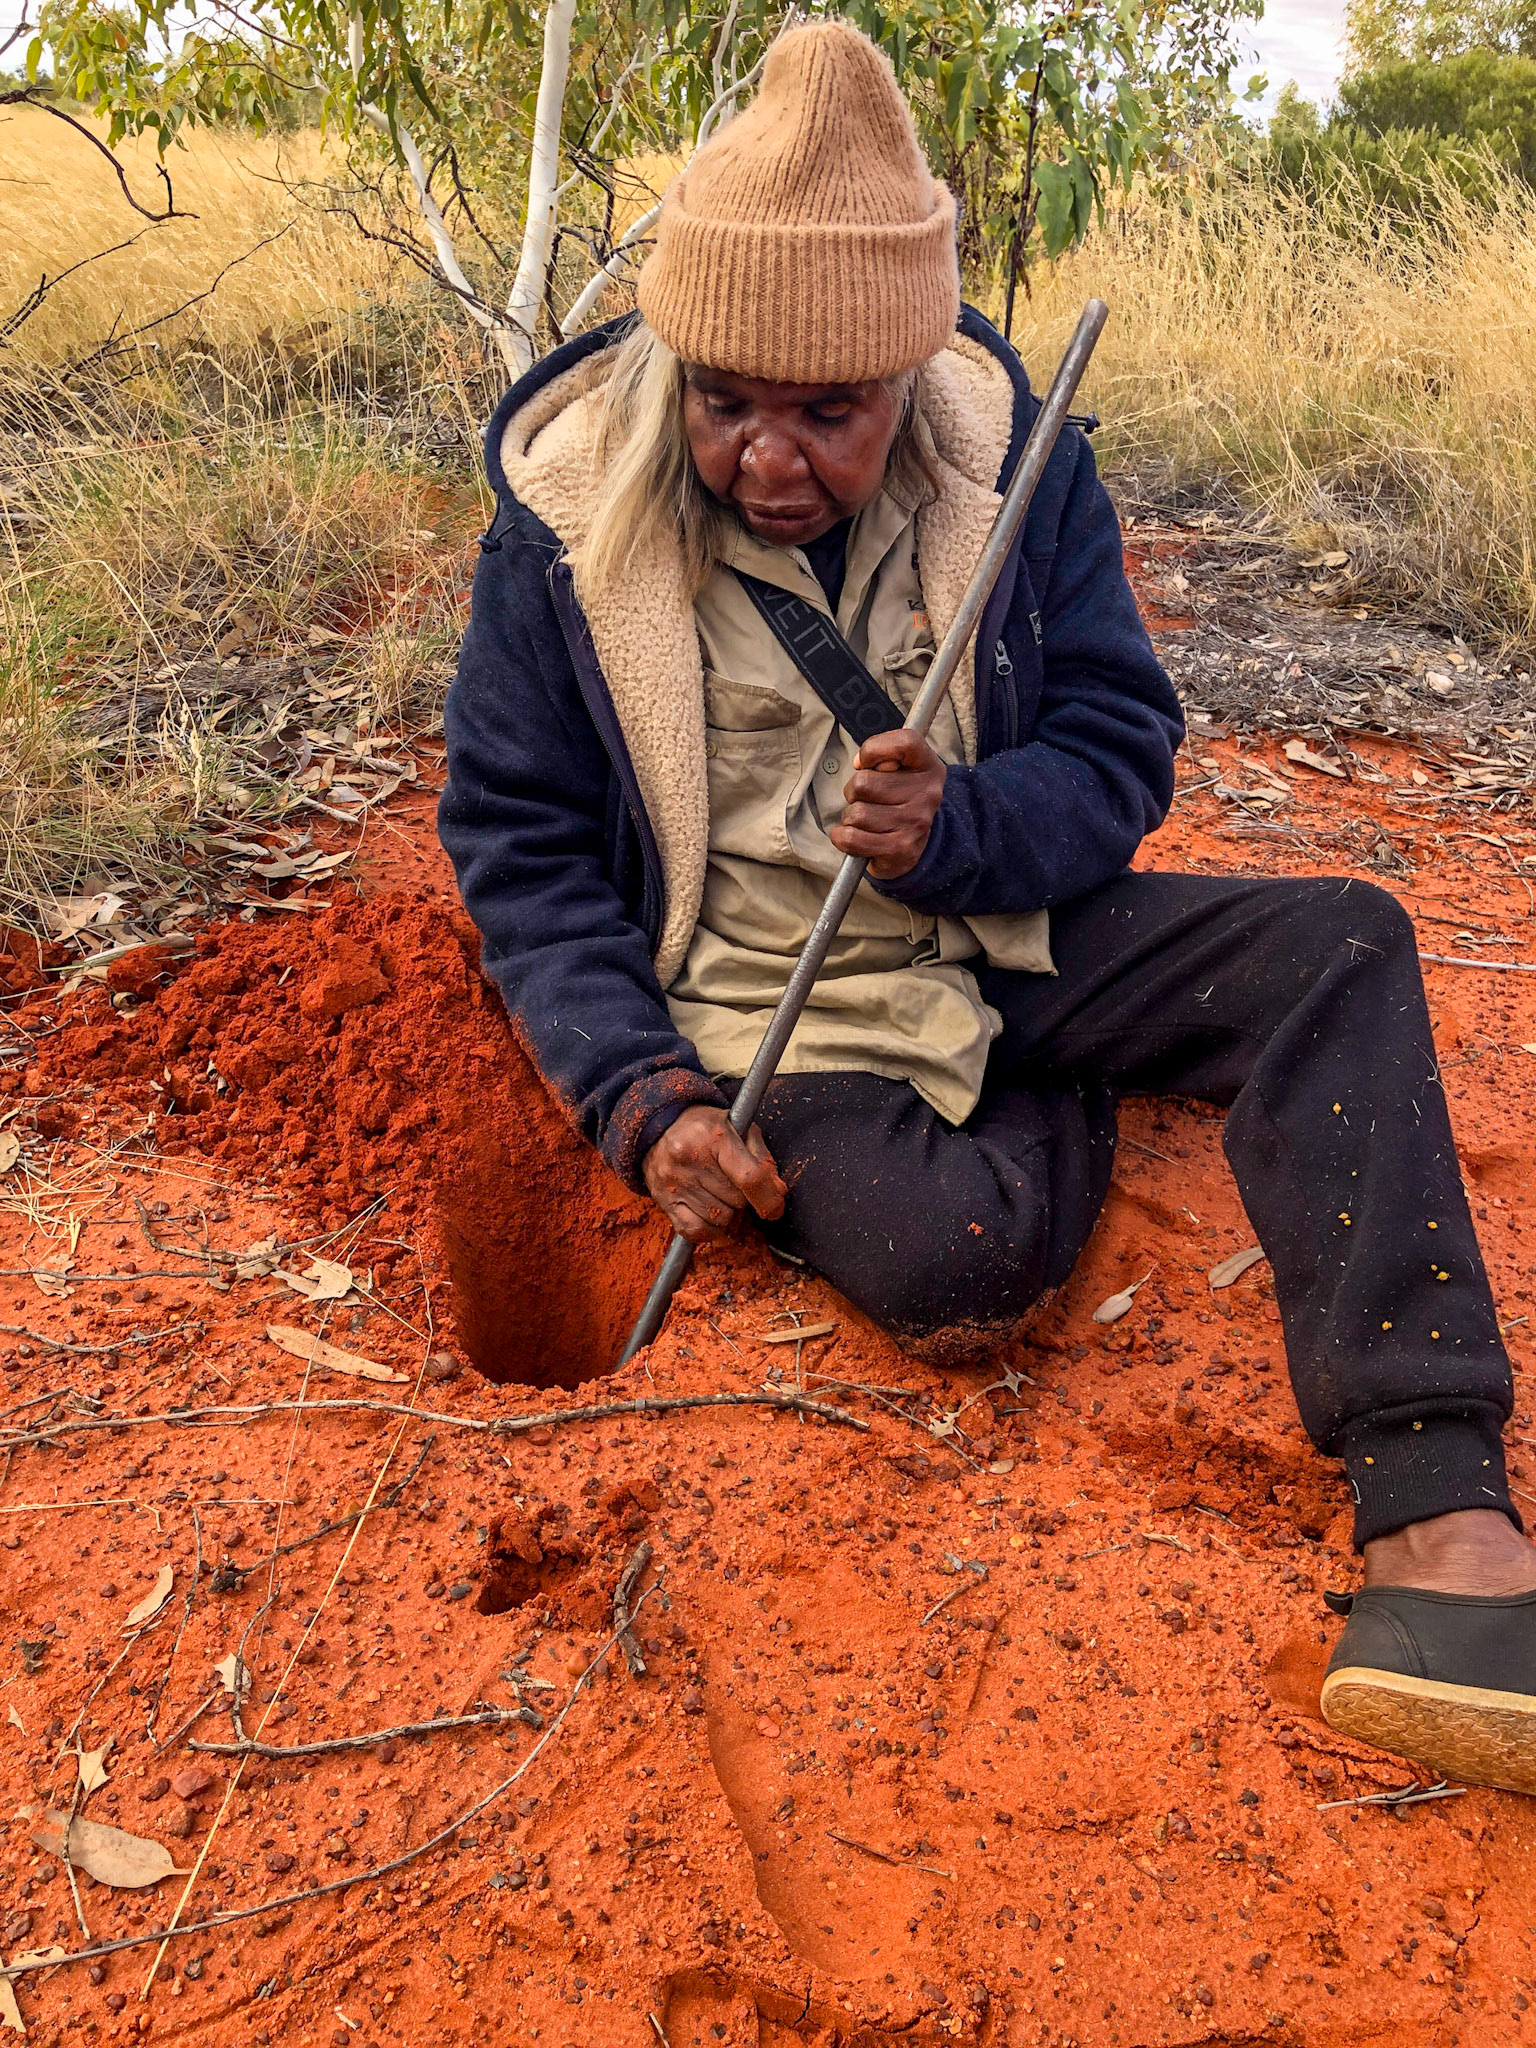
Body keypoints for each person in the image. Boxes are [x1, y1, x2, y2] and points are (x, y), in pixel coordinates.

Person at [439, 20, 1536, 1793]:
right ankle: (1067, 1091)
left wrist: (968, 829)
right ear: (674, 365)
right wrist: (644, 1100)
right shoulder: (558, 542)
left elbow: (1117, 743)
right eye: (726, 403)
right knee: (962, 1263)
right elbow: (524, 852)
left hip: (1005, 933)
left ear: (907, 368)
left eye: (830, 413)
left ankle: (1439, 1515)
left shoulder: (1021, 471)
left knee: (1344, 938)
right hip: (767, 998)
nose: (770, 459)